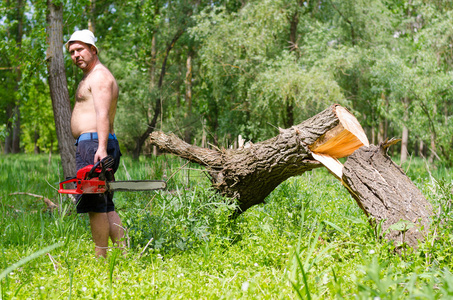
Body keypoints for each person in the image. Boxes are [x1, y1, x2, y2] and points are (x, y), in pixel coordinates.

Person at [66, 29, 125, 258]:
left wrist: (100, 148)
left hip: (94, 145)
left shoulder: (99, 76)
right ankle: (123, 255)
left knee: (94, 204)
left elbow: (102, 114)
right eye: (72, 52)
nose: (76, 55)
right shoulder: (92, 76)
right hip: (93, 143)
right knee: (105, 204)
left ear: (93, 49)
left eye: (80, 49)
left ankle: (100, 260)